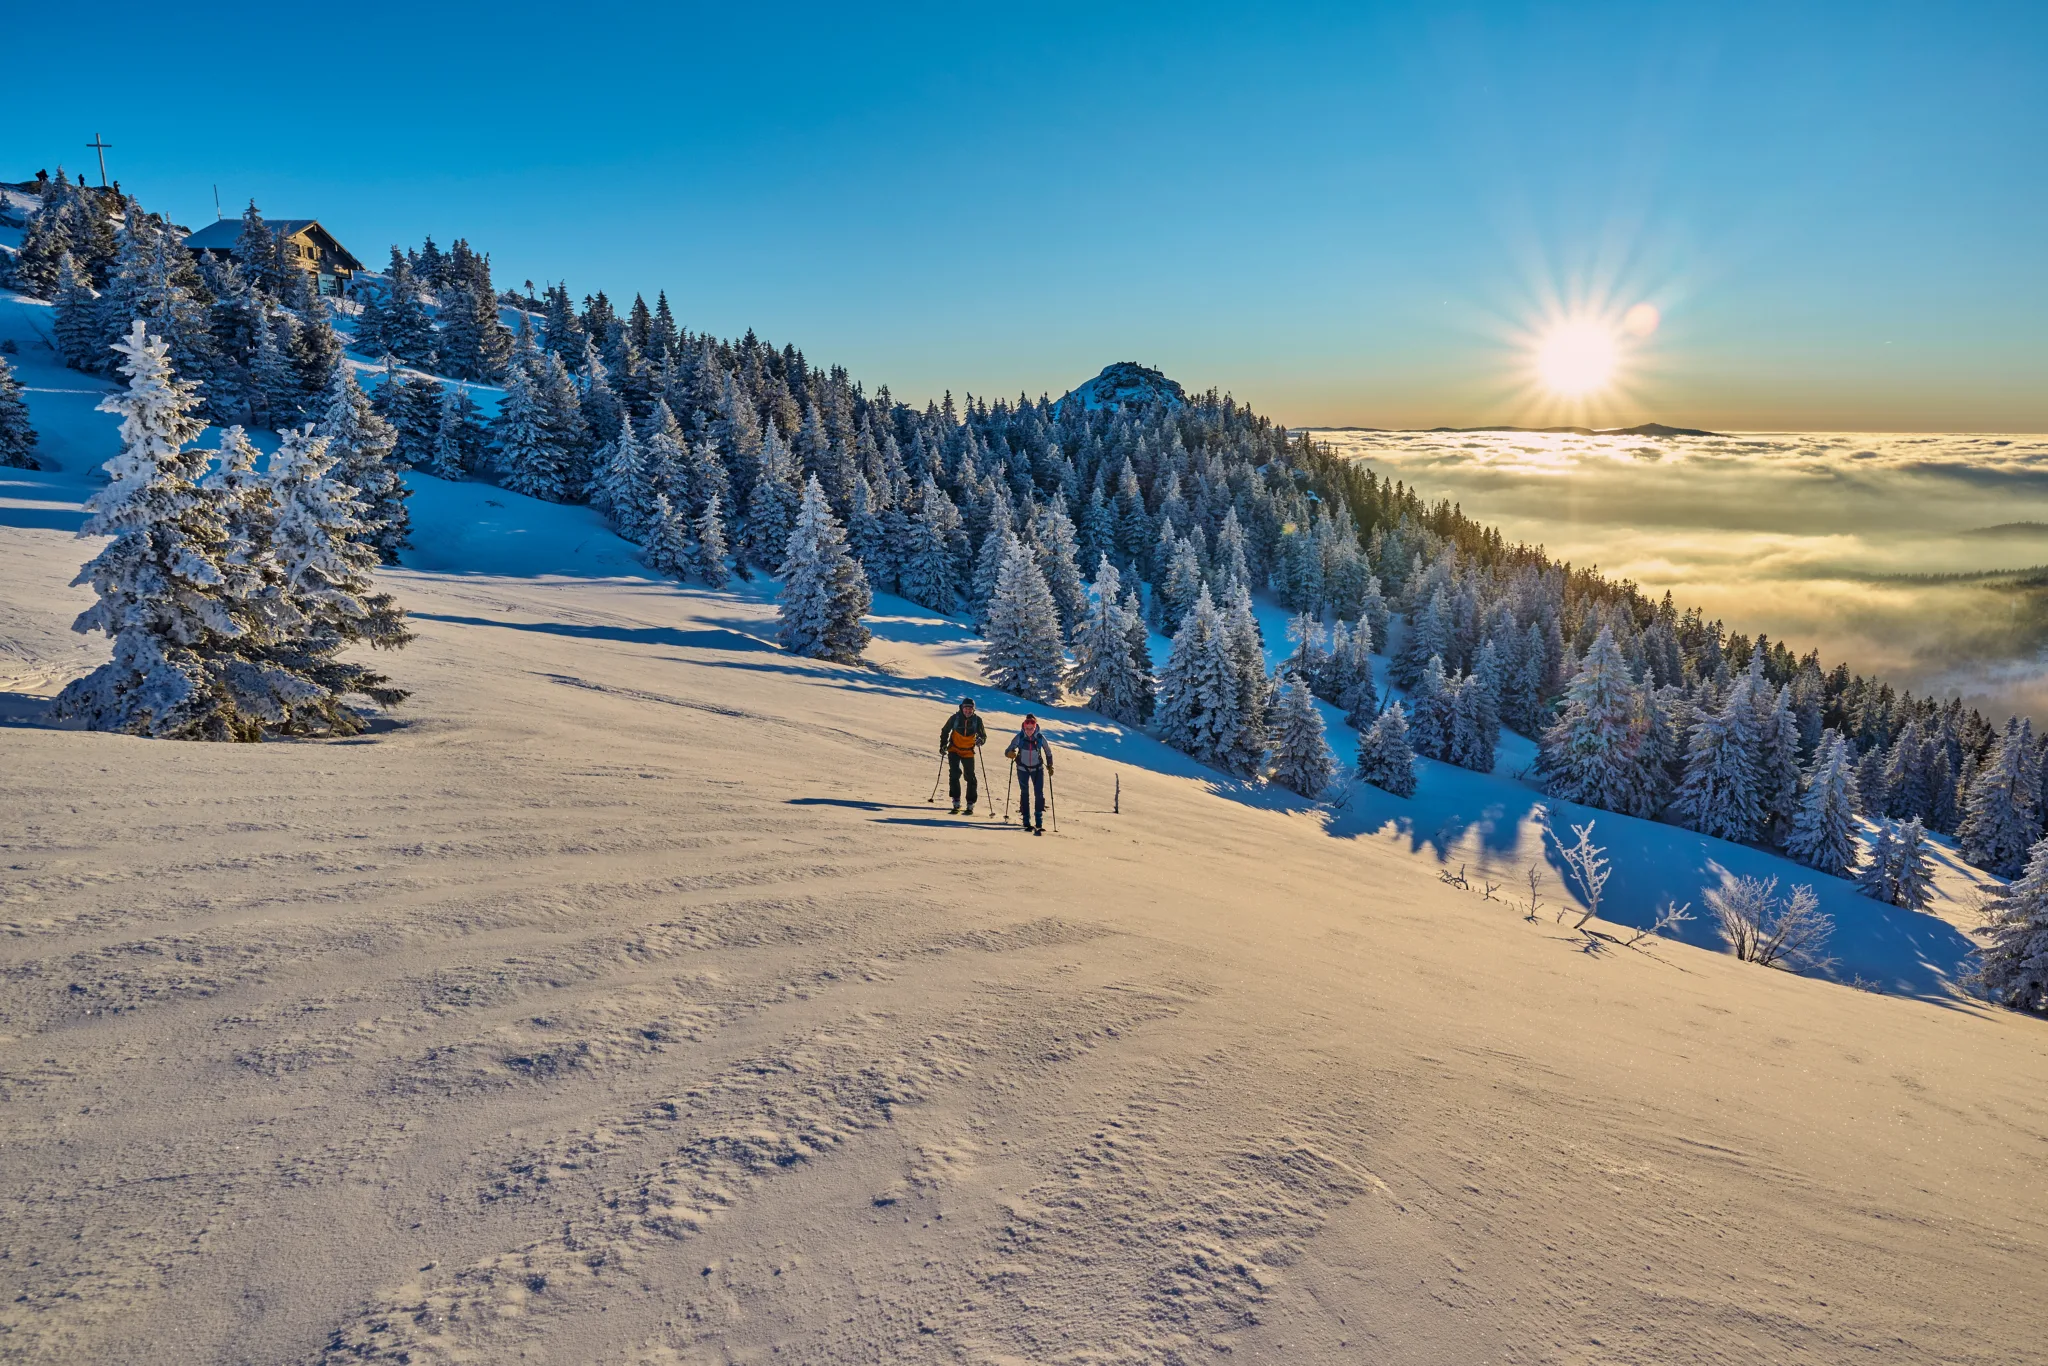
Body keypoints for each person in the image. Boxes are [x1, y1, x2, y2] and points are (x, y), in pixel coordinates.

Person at [1004, 714, 1056, 834]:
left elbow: (1048, 752)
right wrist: (1010, 753)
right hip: (1022, 768)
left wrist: (1050, 765)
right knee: (1025, 793)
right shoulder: (1020, 737)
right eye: (1027, 729)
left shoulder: (1040, 738)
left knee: (1039, 794)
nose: (1029, 731)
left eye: (1031, 729)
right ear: (1023, 727)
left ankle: (1039, 821)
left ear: (1035, 727)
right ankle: (1026, 820)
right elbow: (1008, 750)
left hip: (1037, 769)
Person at [940, 696, 986, 815]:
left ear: (973, 709)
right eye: (966, 708)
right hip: (954, 749)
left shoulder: (978, 720)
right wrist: (943, 745)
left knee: (970, 776)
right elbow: (945, 731)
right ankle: (956, 801)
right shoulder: (955, 718)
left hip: (968, 751)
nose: (968, 711)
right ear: (962, 708)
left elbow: (983, 736)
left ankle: (970, 803)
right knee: (954, 774)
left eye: (970, 709)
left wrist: (981, 740)